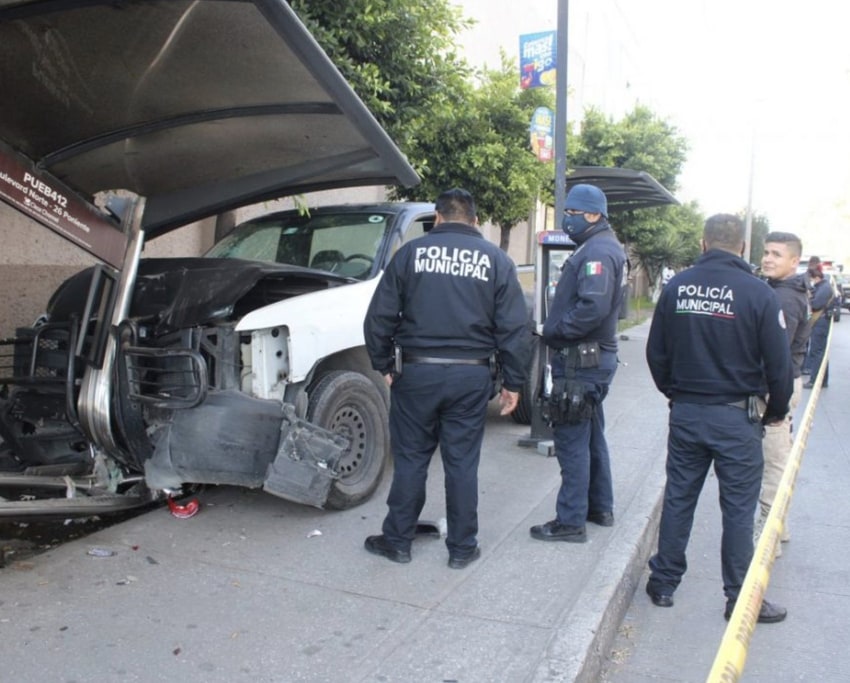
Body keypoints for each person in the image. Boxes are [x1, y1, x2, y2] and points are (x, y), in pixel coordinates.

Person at [362, 188, 531, 569]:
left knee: (411, 459)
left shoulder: (409, 255)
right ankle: (461, 549)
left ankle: (398, 541)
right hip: (470, 377)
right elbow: (515, 328)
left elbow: (378, 319)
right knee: (462, 463)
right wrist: (514, 383)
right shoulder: (496, 261)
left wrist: (384, 363)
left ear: (437, 217)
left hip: (416, 373)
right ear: (474, 220)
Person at [645, 213, 792, 623]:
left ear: (703, 242)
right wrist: (775, 413)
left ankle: (663, 583)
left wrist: (676, 393)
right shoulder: (759, 294)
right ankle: (739, 599)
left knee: (679, 498)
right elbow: (780, 367)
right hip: (736, 418)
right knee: (738, 510)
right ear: (743, 248)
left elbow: (656, 353)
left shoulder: (677, 286)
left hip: (688, 412)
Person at [530, 183, 626, 543]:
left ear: (593, 215)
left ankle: (570, 521)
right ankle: (599, 507)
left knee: (571, 441)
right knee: (591, 437)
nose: (566, 219)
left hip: (579, 362)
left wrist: (555, 332)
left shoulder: (598, 252)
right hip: (591, 359)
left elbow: (593, 307)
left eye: (571, 213)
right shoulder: (598, 245)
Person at [757, 232, 811, 554]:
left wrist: (765, 394)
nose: (768, 259)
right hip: (783, 383)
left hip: (777, 386)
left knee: (773, 462)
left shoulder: (785, 298)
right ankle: (779, 526)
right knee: (775, 459)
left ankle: (767, 537)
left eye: (776, 254)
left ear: (794, 261)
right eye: (766, 252)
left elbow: (775, 353)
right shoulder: (782, 290)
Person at [804, 265, 833, 389]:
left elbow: (816, 304)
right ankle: (821, 380)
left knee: (817, 352)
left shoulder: (825, 288)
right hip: (820, 322)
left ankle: (815, 380)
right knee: (820, 352)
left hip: (821, 322)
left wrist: (808, 299)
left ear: (816, 277)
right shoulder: (821, 287)